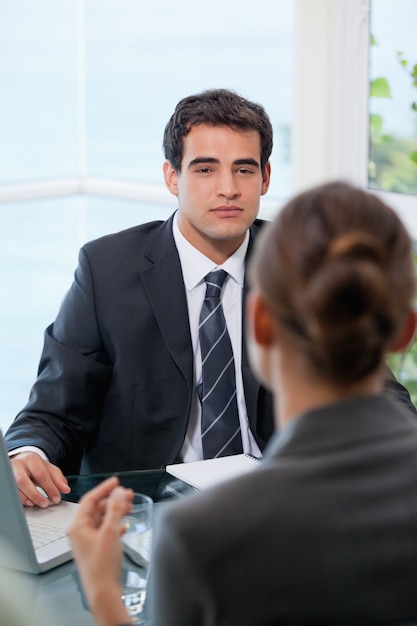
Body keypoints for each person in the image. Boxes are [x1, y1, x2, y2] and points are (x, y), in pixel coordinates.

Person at [5, 89, 415, 510]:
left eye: (244, 169)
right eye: (205, 169)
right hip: (146, 514)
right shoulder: (105, 269)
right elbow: (53, 413)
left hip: (282, 506)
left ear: (266, 178)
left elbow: (374, 386)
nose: (228, 189)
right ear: (172, 177)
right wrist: (26, 455)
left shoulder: (299, 257)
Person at [69, 181, 417, 625]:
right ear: (405, 330)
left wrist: (103, 596)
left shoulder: (201, 537)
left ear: (260, 321)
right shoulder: (105, 268)